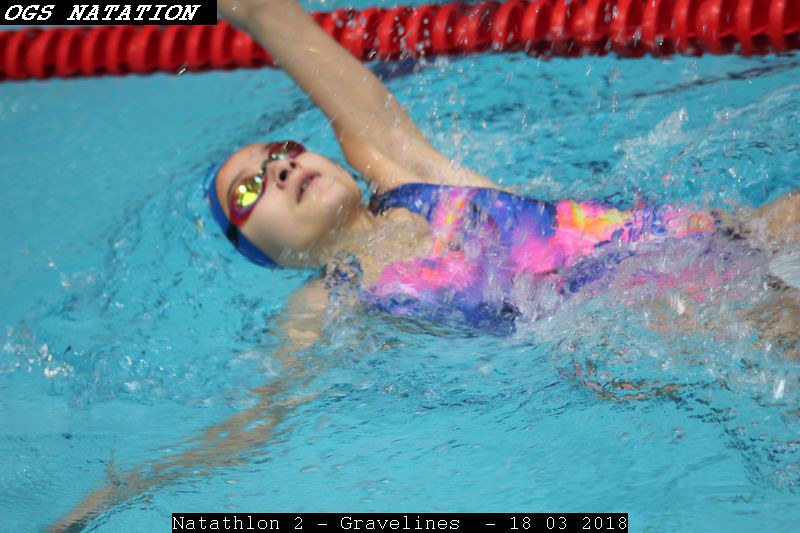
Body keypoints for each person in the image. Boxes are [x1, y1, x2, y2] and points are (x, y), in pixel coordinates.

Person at [51, 0, 798, 529]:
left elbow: (272, 14)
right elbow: (255, 425)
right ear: (265, 252)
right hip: (679, 316)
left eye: (281, 153)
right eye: (251, 188)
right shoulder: (324, 304)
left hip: (736, 232)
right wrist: (126, 486)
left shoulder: (408, 170)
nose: (279, 170)